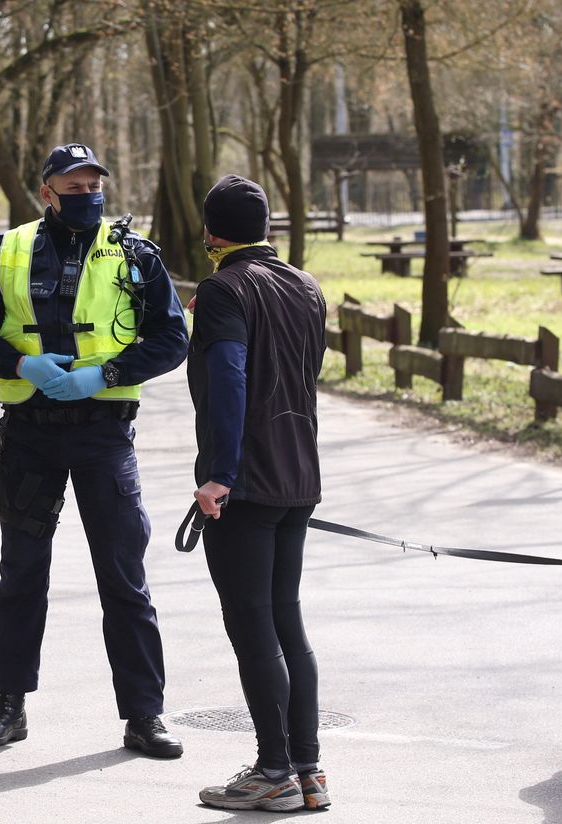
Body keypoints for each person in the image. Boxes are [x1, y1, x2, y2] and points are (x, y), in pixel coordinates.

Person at [0, 143, 189, 757]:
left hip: (103, 434)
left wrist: (103, 376)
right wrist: (20, 363)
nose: (86, 192)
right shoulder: (6, 253)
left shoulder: (134, 253)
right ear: (47, 192)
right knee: (20, 576)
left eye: (93, 182)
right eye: (73, 183)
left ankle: (144, 716)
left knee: (124, 578)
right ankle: (9, 705)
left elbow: (171, 338)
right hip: (29, 432)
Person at [186, 175, 329, 811]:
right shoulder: (306, 286)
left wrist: (219, 472)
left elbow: (229, 379)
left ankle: (274, 771)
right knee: (286, 620)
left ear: (213, 233)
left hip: (245, 482)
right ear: (266, 228)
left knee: (252, 627)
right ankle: (309, 771)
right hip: (299, 474)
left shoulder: (221, 290)